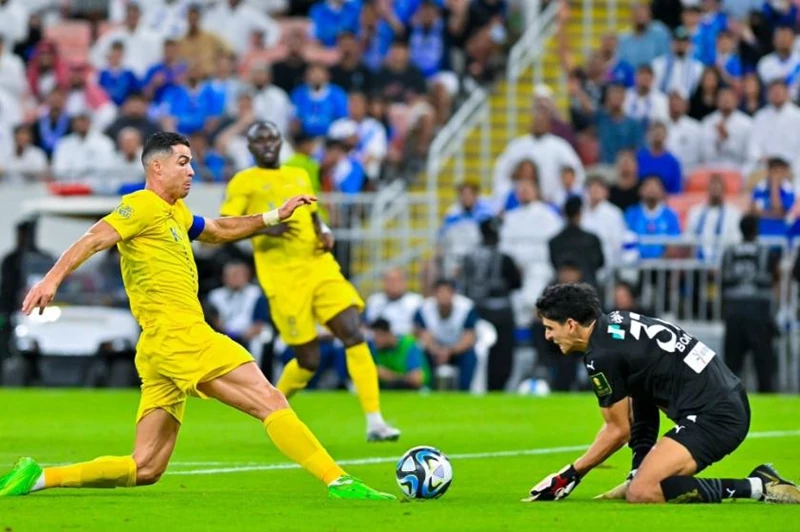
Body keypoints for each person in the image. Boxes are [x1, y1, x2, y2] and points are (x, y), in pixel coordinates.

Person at [0, 132, 393, 501]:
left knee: (146, 467)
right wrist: (51, 281)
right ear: (157, 168)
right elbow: (94, 238)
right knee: (269, 400)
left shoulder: (176, 213)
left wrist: (274, 216)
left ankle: (39, 477)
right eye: (183, 162)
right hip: (181, 335)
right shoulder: (140, 205)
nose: (191, 171)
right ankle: (338, 480)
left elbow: (219, 229)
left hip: (159, 347)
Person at [526, 283, 800, 504]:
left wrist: (570, 475)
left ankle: (758, 486)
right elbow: (642, 400)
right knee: (645, 482)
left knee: (644, 492)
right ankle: (643, 474)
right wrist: (637, 468)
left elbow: (618, 430)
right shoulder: (618, 323)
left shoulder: (602, 355)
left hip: (715, 416)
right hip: (726, 400)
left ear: (572, 324)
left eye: (550, 327)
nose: (548, 336)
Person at [220, 121, 400, 443]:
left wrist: (324, 231)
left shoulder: (298, 174)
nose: (267, 145)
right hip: (283, 278)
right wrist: (264, 227)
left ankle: (375, 421)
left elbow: (314, 214)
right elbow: (225, 225)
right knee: (308, 360)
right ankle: (269, 406)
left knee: (353, 333)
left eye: (272, 139)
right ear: (250, 148)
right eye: (259, 141)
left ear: (281, 142)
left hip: (318, 266)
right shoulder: (243, 182)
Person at [458, 218, 522, 391]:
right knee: (502, 355)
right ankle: (496, 387)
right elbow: (517, 282)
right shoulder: (504, 257)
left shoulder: (469, 257)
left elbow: (463, 286)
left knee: (481, 351)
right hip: (501, 312)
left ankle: (478, 386)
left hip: (478, 310)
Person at [720, 214, 780, 393]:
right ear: (757, 229)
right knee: (763, 360)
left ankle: (727, 399)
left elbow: (722, 277)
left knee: (732, 363)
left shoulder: (730, 251)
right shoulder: (766, 250)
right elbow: (775, 277)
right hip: (758, 309)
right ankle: (767, 395)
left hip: (734, 310)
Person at [414, 278, 479, 392]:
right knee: (420, 353)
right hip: (434, 349)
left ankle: (464, 390)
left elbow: (469, 337)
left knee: (470, 356)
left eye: (447, 292)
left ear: (454, 293)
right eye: (440, 292)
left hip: (458, 349)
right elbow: (421, 334)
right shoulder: (424, 309)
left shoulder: (466, 308)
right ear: (434, 294)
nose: (444, 296)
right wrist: (437, 350)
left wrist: (450, 351)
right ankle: (427, 389)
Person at [369, 318, 429, 390]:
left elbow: (416, 379)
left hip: (416, 391)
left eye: (378, 335)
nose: (375, 339)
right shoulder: (376, 350)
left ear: (389, 334)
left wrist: (389, 376)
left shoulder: (408, 345)